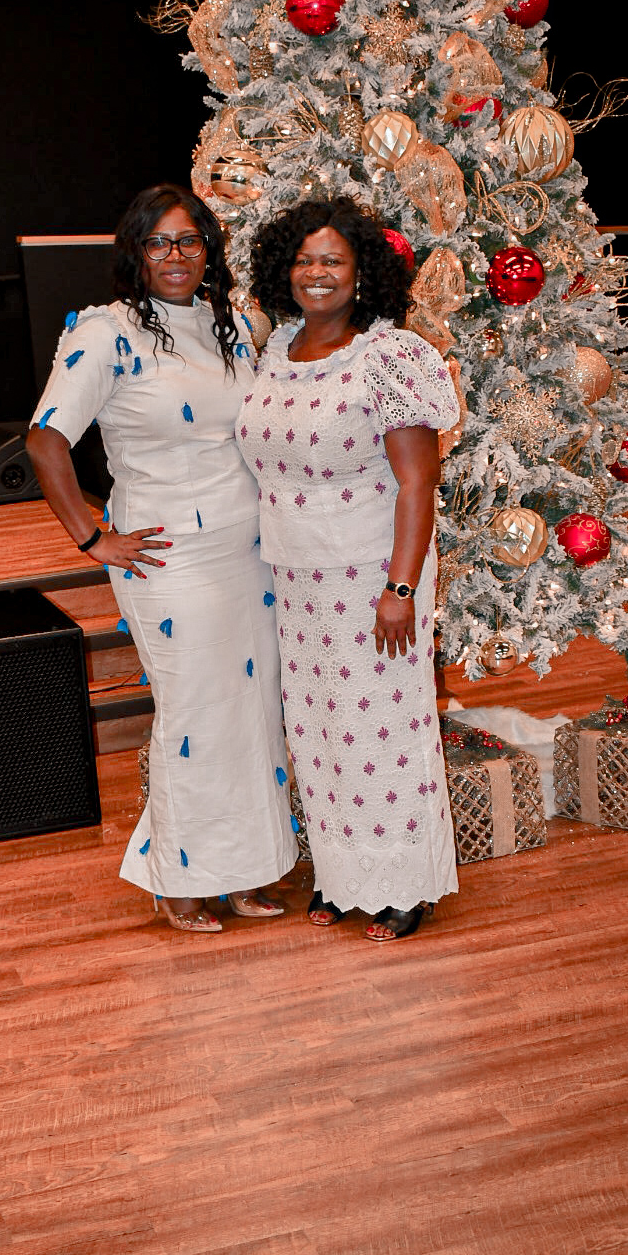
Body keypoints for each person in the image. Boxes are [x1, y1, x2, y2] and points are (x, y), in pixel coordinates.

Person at [26, 184, 297, 933]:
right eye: (158, 242)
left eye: (189, 241)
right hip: (167, 556)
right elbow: (45, 441)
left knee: (252, 714)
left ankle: (245, 872)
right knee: (196, 714)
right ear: (136, 254)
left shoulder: (232, 325)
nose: (175, 256)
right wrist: (91, 538)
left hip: (249, 551)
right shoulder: (104, 333)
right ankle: (180, 879)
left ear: (209, 249)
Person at [237, 195, 461, 942]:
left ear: (362, 271)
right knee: (319, 729)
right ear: (284, 270)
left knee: (384, 728)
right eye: (304, 260)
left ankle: (404, 885)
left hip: (371, 575)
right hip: (295, 578)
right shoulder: (277, 351)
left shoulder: (389, 357)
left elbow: (417, 483)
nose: (317, 273)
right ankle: (343, 875)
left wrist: (401, 587)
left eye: (333, 259)